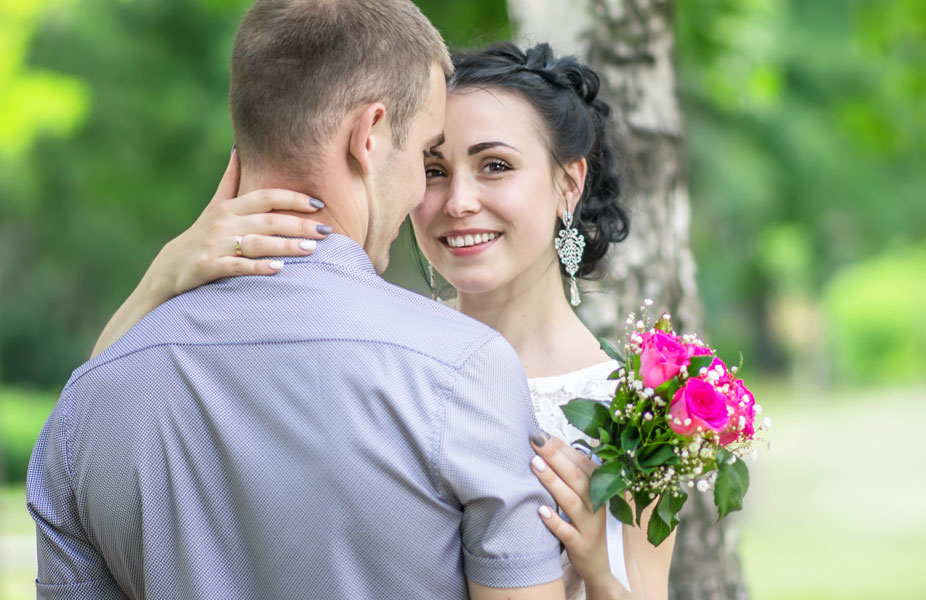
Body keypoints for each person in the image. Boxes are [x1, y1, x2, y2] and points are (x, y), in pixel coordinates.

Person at [88, 39, 677, 598]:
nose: (458, 201)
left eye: (495, 166)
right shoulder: (379, 351)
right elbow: (96, 403)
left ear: (567, 183)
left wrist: (598, 572)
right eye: (434, 167)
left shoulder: (638, 412)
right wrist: (163, 276)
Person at [26, 2, 568, 598]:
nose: (421, 191)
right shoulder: (462, 369)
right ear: (369, 136)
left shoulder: (90, 402)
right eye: (425, 154)